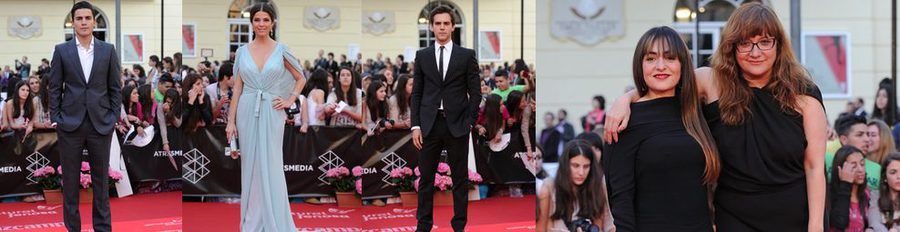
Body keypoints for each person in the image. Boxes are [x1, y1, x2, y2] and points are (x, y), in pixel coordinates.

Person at [606, 3, 827, 231]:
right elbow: (665, 78)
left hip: (794, 218)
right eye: (745, 43)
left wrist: (816, 226)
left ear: (778, 45)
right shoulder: (710, 82)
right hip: (734, 220)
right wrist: (625, 99)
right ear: (731, 46)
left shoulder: (803, 94)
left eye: (764, 42)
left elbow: (814, 167)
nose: (755, 52)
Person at [604, 26, 718, 231]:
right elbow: (621, 200)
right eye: (650, 58)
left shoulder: (696, 111)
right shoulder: (624, 120)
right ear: (640, 65)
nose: (660, 66)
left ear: (682, 63)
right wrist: (627, 98)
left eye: (670, 57)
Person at [224, 3, 306, 231]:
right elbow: (237, 89)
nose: (261, 24)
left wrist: (290, 100)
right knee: (250, 165)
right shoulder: (242, 51)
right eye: (257, 20)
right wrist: (230, 121)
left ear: (273, 23)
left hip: (272, 110)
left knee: (271, 164)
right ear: (251, 23)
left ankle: (274, 220)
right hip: (246, 110)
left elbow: (301, 78)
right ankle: (252, 220)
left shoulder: (281, 50)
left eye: (265, 20)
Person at [47, 2, 120, 231]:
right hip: (70, 124)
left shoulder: (108, 50)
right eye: (79, 18)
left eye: (88, 18)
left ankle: (103, 229)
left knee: (101, 182)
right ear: (73, 22)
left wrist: (113, 116)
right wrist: (56, 116)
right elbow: (54, 87)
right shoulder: (62, 50)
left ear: (94, 21)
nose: (84, 22)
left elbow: (115, 87)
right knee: (70, 183)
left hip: (101, 123)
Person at [410, 5, 481, 231]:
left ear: (453, 26)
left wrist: (469, 120)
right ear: (432, 27)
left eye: (446, 23)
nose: (442, 27)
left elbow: (476, 92)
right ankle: (424, 225)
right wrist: (415, 126)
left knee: (460, 179)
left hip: (457, 125)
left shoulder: (466, 55)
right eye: (438, 23)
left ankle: (459, 225)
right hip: (429, 125)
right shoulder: (422, 56)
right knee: (426, 180)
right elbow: (417, 93)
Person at [537, 140, 614, 232]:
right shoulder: (549, 187)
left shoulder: (598, 184)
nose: (581, 172)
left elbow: (603, 224)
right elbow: (541, 228)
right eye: (575, 165)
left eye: (586, 166)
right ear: (565, 165)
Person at [828, 146, 869, 231]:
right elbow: (840, 223)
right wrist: (845, 183)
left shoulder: (867, 194)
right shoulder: (828, 194)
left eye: (862, 164)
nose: (860, 170)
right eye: (853, 166)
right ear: (840, 169)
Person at [868, 152, 900, 231]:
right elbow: (874, 223)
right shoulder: (876, 195)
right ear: (885, 177)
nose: (899, 176)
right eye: (893, 172)